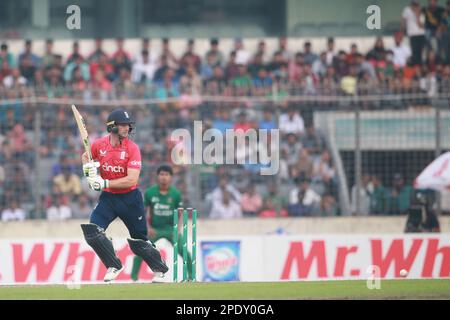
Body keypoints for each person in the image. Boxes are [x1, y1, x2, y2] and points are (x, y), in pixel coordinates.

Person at [80, 108, 168, 282]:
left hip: (130, 199)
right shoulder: (99, 145)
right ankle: (114, 264)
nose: (127, 128)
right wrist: (89, 171)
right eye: (123, 125)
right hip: (109, 198)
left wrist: (103, 182)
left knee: (139, 242)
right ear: (112, 127)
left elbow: (131, 179)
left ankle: (160, 269)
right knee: (92, 232)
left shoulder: (132, 149)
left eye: (128, 125)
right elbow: (86, 156)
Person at [130, 165, 193, 282]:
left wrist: (177, 230)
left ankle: (191, 277)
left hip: (170, 229)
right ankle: (134, 279)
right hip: (154, 229)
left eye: (167, 175)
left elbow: (180, 214)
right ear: (157, 176)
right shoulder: (150, 192)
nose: (164, 177)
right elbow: (143, 213)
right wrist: (148, 228)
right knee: (140, 251)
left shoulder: (176, 194)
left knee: (184, 251)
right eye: (162, 174)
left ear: (171, 177)